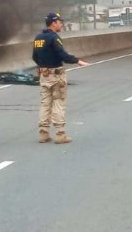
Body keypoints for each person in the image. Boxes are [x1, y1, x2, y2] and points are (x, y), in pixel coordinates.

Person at [32, 12, 89, 144]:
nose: (61, 24)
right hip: (56, 75)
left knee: (45, 104)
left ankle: (43, 134)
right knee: (58, 102)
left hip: (43, 75)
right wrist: (77, 61)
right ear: (53, 23)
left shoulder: (38, 38)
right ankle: (60, 134)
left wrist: (43, 65)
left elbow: (34, 57)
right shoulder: (54, 38)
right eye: (59, 22)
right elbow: (62, 54)